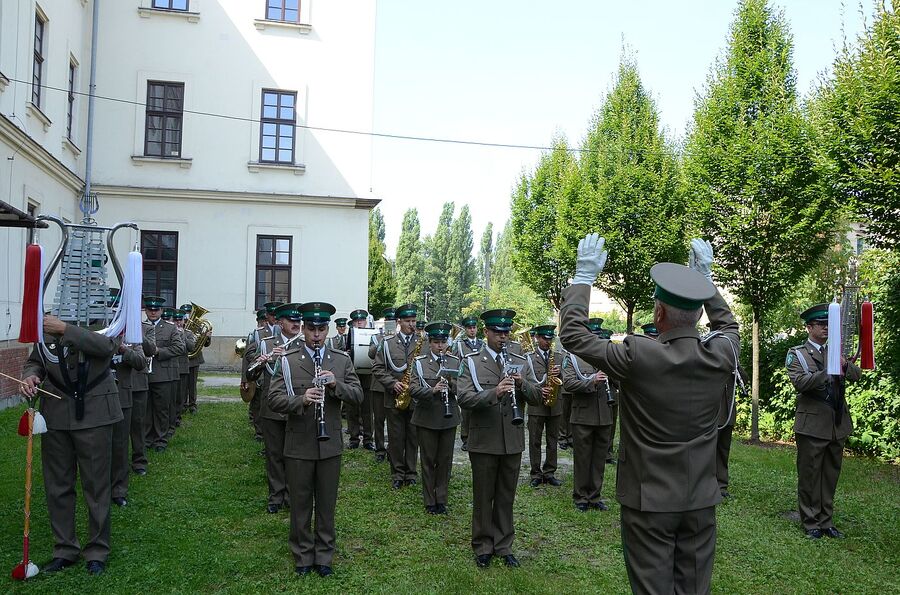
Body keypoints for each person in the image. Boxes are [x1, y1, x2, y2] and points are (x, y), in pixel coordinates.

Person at [560, 235, 739, 595]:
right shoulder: (721, 354)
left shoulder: (638, 355)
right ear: (700, 313)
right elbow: (729, 326)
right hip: (700, 499)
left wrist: (583, 278)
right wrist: (704, 280)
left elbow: (573, 335)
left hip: (649, 501)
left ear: (658, 315)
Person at [20, 315, 122, 576]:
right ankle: (65, 549)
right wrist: (31, 376)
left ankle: (97, 551)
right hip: (56, 413)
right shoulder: (47, 320)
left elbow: (107, 347)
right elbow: (36, 360)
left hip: (95, 412)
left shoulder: (107, 318)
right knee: (58, 485)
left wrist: (66, 329)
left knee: (96, 486)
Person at [267, 301, 363, 577]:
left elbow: (358, 396)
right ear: (304, 329)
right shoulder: (287, 359)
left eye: (321, 329)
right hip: (298, 443)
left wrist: (336, 385)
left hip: (329, 443)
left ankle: (324, 556)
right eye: (311, 329)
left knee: (326, 503)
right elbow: (273, 399)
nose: (316, 335)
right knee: (299, 503)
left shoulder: (341, 360)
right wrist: (300, 400)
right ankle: (302, 556)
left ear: (328, 329)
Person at [457, 308, 542, 569]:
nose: (502, 337)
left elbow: (537, 397)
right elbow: (464, 397)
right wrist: (494, 393)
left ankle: (504, 545)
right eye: (497, 332)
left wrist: (521, 384)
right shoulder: (471, 361)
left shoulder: (520, 360)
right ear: (486, 332)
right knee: (484, 496)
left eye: (506, 332)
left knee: (506, 496)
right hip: (484, 440)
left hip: (512, 440)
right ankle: (483, 545)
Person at [786, 303, 861, 539]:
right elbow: (801, 383)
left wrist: (845, 364)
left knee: (830, 474)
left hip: (837, 424)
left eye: (829, 324)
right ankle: (811, 522)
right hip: (812, 424)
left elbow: (857, 376)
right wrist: (828, 371)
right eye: (821, 324)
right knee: (810, 474)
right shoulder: (796, 353)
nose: (826, 328)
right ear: (809, 327)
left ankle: (826, 520)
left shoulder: (834, 351)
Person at [246, 303, 305, 513]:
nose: (296, 324)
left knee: (295, 454)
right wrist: (265, 361)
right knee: (274, 453)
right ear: (280, 323)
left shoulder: (305, 344)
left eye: (298, 321)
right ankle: (275, 496)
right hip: (272, 407)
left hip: (297, 405)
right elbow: (250, 374)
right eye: (291, 321)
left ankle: (291, 494)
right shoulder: (266, 343)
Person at [562, 318, 615, 512]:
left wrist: (613, 373)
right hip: (583, 415)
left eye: (598, 336)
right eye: (593, 336)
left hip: (604, 414)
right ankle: (581, 496)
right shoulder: (574, 358)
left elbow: (620, 382)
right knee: (583, 458)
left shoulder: (607, 358)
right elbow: (568, 384)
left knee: (599, 458)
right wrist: (592, 381)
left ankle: (595, 496)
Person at [409, 322, 461, 514]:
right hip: (427, 416)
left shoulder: (455, 362)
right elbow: (412, 388)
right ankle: (430, 500)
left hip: (449, 417)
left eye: (443, 342)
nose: (440, 346)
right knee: (429, 459)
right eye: (436, 342)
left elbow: (463, 388)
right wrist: (432, 390)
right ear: (429, 343)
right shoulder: (420, 362)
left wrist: (451, 385)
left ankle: (442, 499)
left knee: (445, 460)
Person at [373, 303, 421, 488]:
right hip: (394, 397)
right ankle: (397, 474)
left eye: (414, 321)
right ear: (399, 321)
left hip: (414, 398)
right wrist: (392, 383)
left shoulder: (421, 342)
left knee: (413, 436)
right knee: (395, 437)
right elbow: (377, 368)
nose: (412, 324)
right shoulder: (387, 343)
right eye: (408, 321)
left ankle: (411, 472)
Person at [111, 335, 149, 506]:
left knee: (120, 444)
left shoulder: (132, 336)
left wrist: (123, 349)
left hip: (122, 394)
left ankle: (118, 489)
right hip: (95, 395)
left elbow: (141, 362)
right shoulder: (97, 331)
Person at [143, 297, 185, 453]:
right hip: (144, 373)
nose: (153, 312)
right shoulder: (139, 326)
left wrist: (159, 351)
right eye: (149, 310)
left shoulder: (170, 328)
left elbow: (179, 348)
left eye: (156, 310)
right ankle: (147, 438)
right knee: (146, 408)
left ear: (161, 311)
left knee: (161, 408)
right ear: (145, 311)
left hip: (163, 374)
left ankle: (161, 439)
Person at [525, 324, 564, 488]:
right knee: (535, 440)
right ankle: (535, 473)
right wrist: (540, 389)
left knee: (552, 440)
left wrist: (559, 374)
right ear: (537, 338)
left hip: (554, 405)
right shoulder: (528, 357)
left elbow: (566, 380)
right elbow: (525, 379)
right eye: (544, 339)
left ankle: (550, 472)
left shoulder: (559, 357)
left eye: (550, 339)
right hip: (536, 404)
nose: (548, 342)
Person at [368, 307, 396, 462]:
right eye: (388, 320)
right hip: (378, 385)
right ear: (385, 322)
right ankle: (379, 449)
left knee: (393, 420)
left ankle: (393, 449)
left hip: (393, 385)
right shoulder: (376, 337)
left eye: (392, 320)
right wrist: (383, 340)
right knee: (378, 419)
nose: (390, 323)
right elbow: (371, 354)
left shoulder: (400, 338)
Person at [345, 309, 375, 450]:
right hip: (352, 377)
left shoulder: (372, 335)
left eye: (361, 320)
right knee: (352, 409)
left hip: (367, 377)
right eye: (357, 321)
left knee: (367, 410)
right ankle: (354, 438)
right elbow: (345, 353)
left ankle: (368, 439)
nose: (359, 323)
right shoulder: (349, 335)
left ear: (365, 321)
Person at [452, 315, 483, 452]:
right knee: (466, 412)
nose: (472, 330)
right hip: (466, 381)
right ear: (465, 329)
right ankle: (466, 438)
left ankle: (479, 437)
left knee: (481, 410)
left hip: (481, 381)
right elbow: (455, 362)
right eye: (469, 328)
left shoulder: (483, 344)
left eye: (474, 327)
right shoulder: (459, 344)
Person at [243, 308, 270, 441]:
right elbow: (247, 357)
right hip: (259, 375)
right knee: (257, 404)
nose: (265, 323)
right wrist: (245, 379)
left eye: (267, 320)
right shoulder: (256, 335)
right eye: (262, 320)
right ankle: (260, 432)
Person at [180, 303, 209, 414]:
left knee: (192, 383)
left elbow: (204, 343)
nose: (188, 317)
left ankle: (192, 404)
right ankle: (182, 404)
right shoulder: (177, 325)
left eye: (189, 313)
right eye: (185, 314)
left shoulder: (198, 326)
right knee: (182, 383)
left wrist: (207, 337)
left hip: (194, 358)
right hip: (182, 358)